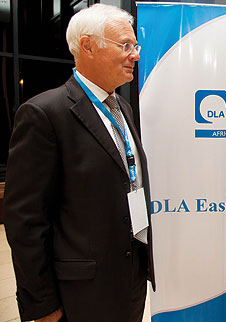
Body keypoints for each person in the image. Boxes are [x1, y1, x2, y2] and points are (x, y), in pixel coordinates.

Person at [4, 4, 154, 322]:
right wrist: (42, 305)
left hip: (129, 278)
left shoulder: (122, 107)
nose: (135, 55)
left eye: (135, 46)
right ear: (87, 46)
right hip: (80, 294)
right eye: (125, 46)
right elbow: (25, 222)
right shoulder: (44, 114)